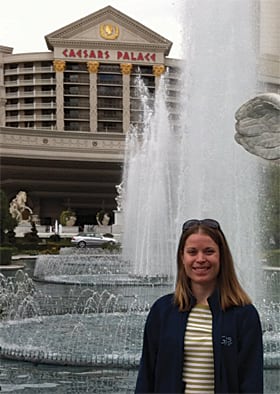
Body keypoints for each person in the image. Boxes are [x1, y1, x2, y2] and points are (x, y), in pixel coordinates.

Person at [135, 218, 263, 393]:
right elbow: (146, 377)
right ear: (182, 257)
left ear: (221, 256)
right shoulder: (162, 311)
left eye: (209, 251)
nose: (200, 259)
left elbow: (251, 383)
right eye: (192, 252)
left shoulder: (243, 315)